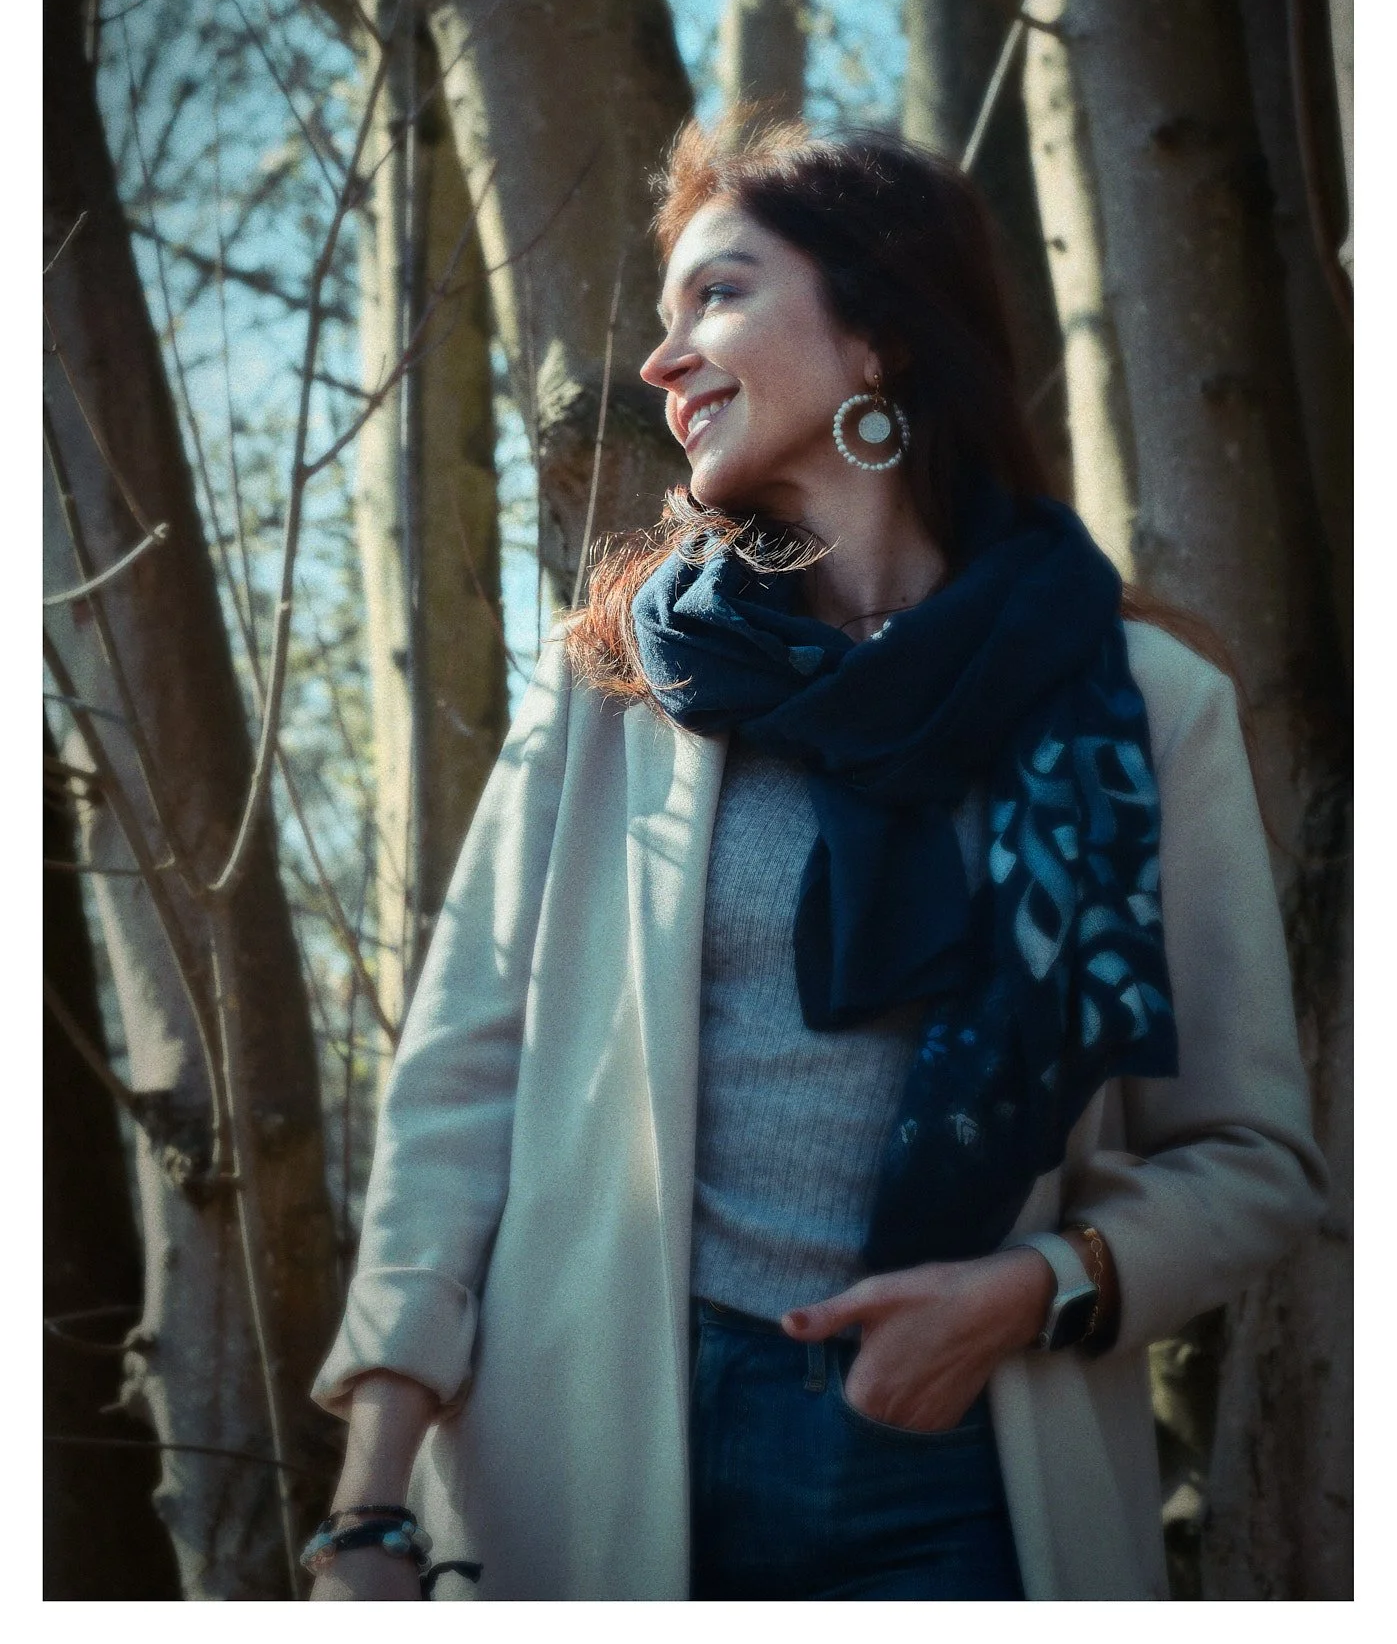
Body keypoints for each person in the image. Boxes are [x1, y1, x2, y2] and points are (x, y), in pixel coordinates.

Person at [306, 121, 1327, 1602]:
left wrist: (1028, 1291)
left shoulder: (1142, 707)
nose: (663, 362)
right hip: (594, 1459)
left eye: (716, 296)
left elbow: (1250, 1160)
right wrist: (369, 1507)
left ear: (880, 338)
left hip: (975, 1470)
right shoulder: (620, 694)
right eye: (663, 318)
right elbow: (461, 1091)